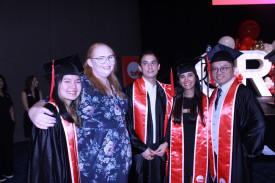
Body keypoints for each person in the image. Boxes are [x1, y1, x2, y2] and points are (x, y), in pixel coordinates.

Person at [28, 43, 132, 183]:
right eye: (101, 58)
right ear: (90, 62)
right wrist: (34, 110)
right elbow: (54, 98)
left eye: (110, 57)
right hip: (95, 167)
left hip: (120, 162)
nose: (107, 62)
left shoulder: (114, 84)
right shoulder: (83, 82)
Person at [206, 43, 265, 183]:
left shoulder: (243, 93)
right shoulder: (215, 93)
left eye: (224, 68)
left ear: (232, 69)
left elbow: (258, 123)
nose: (218, 72)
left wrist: (245, 151)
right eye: (214, 69)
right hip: (215, 156)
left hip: (236, 156)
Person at [28, 54, 82, 183]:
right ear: (57, 83)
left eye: (77, 81)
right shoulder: (49, 114)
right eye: (67, 81)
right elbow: (45, 165)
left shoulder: (72, 108)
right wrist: (33, 110)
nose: (73, 86)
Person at [125, 50, 174, 183]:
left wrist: (166, 142)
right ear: (140, 68)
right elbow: (126, 124)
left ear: (159, 66)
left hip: (161, 149)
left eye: (153, 63)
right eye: (145, 63)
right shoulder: (129, 92)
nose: (150, 67)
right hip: (139, 152)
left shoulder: (168, 92)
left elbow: (172, 121)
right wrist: (141, 148)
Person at [168, 63, 208, 183]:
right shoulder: (173, 102)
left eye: (190, 75)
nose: (186, 80)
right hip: (178, 149)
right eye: (182, 76)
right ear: (179, 80)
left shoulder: (206, 101)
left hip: (199, 150)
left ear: (195, 77)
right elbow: (167, 127)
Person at [0, 74, 15, 182]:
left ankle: (8, 171)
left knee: (8, 149)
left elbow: (11, 108)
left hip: (8, 125)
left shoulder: (6, 95)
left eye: (1, 81)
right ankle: (1, 173)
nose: (0, 83)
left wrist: (13, 120)